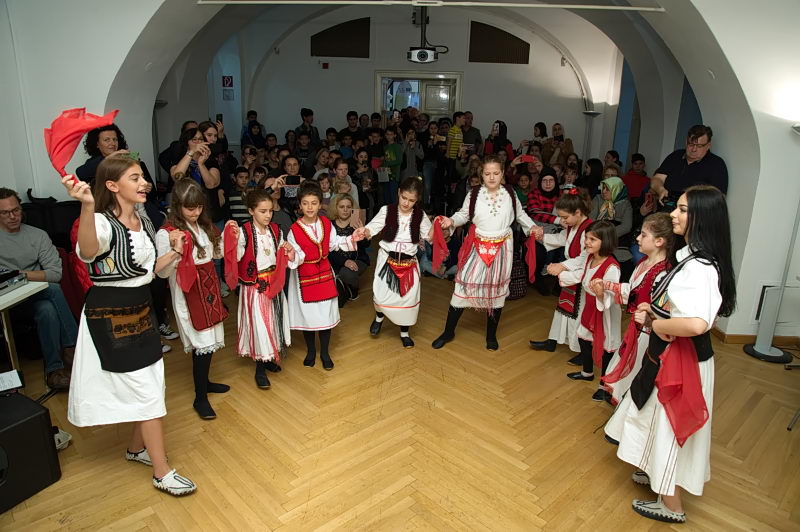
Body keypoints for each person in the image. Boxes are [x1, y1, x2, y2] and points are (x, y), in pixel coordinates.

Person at [62, 155, 196, 496]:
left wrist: (174, 252)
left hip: (141, 310)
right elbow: (87, 252)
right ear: (112, 185)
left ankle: (137, 449)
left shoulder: (143, 220)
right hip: (110, 315)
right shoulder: (100, 222)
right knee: (146, 389)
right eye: (134, 178)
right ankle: (162, 472)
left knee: (152, 383)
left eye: (142, 177)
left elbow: (149, 272)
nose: (144, 183)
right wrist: (87, 206)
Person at [604, 185, 736, 524]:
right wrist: (655, 311)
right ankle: (655, 471)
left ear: (702, 217)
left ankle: (672, 505)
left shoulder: (700, 266)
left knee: (668, 425)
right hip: (674, 355)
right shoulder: (693, 258)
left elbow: (697, 323)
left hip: (683, 360)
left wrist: (657, 323)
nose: (673, 214)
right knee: (654, 416)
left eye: (682, 209)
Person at [432, 155, 540, 351]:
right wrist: (451, 221)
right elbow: (463, 214)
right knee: (462, 287)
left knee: (496, 291)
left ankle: (491, 335)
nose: (491, 177)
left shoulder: (510, 192)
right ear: (481, 174)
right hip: (478, 246)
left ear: (502, 173)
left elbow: (521, 215)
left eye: (496, 173)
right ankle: (448, 332)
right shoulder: (474, 194)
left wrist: (532, 227)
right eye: (487, 173)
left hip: (502, 248)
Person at [157, 179, 228, 420]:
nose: (196, 212)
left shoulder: (204, 226)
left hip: (208, 286)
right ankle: (200, 397)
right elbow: (162, 273)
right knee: (202, 342)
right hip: (188, 290)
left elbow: (215, 254)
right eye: (190, 208)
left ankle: (205, 383)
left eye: (199, 207)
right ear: (178, 206)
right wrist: (175, 249)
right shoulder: (167, 233)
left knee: (210, 338)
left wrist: (228, 236)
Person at [0, 188, 76, 390]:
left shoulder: (37, 235)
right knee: (53, 291)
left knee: (47, 308)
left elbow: (55, 274)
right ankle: (73, 348)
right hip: (7, 300)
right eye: (5, 213)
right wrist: (30, 275)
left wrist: (17, 274)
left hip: (36, 296)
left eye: (16, 210)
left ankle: (54, 371)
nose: (12, 216)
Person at [225, 189, 299, 389]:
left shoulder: (276, 230)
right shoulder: (244, 232)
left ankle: (268, 359)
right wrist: (232, 239)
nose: (268, 215)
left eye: (270, 211)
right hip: (255, 287)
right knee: (259, 325)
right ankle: (260, 368)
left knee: (273, 322)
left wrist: (288, 251)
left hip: (274, 283)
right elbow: (236, 257)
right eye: (262, 211)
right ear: (251, 211)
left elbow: (285, 254)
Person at [286, 182, 363, 370]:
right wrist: (292, 254)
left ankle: (325, 353)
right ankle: (311, 351)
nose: (310, 207)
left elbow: (335, 243)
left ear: (320, 204)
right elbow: (295, 254)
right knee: (308, 315)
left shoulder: (327, 224)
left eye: (314, 203)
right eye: (305, 203)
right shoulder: (294, 230)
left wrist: (353, 238)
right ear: (300, 205)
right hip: (304, 277)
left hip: (325, 275)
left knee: (324, 316)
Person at [598, 212, 673, 405]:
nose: (638, 238)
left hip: (648, 333)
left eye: (644, 235)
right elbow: (632, 290)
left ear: (659, 241)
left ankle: (629, 407)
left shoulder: (663, 272)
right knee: (627, 364)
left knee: (638, 369)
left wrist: (609, 286)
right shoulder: (643, 262)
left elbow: (660, 307)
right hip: (637, 328)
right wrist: (608, 285)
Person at [358, 178, 431, 348]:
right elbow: (372, 227)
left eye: (411, 200)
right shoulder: (387, 210)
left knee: (407, 299)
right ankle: (379, 318)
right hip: (387, 259)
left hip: (408, 263)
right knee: (381, 295)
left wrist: (441, 228)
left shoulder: (420, 216)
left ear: (417, 200)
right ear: (398, 192)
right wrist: (365, 231)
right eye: (404, 197)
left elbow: (430, 236)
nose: (406, 203)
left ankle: (404, 333)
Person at [530, 188, 593, 353]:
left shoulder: (589, 229)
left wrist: (562, 266)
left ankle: (581, 350)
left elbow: (585, 257)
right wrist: (543, 237)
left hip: (581, 274)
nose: (563, 221)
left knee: (579, 312)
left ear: (578, 212)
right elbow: (561, 238)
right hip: (571, 271)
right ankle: (552, 341)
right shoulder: (574, 225)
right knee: (563, 307)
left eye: (565, 217)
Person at [565, 220, 621, 403]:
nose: (587, 242)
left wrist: (601, 293)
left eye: (592, 239)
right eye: (587, 238)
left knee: (607, 347)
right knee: (583, 338)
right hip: (590, 307)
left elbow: (611, 297)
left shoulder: (612, 267)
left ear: (605, 241)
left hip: (605, 313)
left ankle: (605, 386)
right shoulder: (590, 258)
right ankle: (587, 372)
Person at [650, 125, 728, 211]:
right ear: (686, 142)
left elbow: (719, 198)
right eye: (691, 144)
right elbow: (657, 179)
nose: (694, 149)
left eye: (699, 146)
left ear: (708, 145)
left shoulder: (716, 164)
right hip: (666, 209)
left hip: (694, 214)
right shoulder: (675, 156)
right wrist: (660, 190)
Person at [329, 194, 369, 307]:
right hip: (335, 260)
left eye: (348, 207)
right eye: (342, 207)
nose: (345, 210)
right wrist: (344, 261)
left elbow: (366, 245)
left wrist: (362, 232)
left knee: (346, 273)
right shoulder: (329, 225)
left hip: (357, 260)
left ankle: (353, 289)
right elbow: (328, 250)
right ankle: (342, 286)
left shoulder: (356, 222)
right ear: (336, 208)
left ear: (352, 208)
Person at [590, 177, 634, 278]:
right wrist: (600, 235)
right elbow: (591, 220)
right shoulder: (598, 199)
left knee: (623, 265)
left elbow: (626, 226)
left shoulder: (625, 203)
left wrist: (606, 235)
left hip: (616, 239)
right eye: (603, 188)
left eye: (608, 189)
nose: (604, 191)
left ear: (616, 190)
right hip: (597, 235)